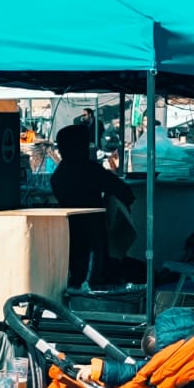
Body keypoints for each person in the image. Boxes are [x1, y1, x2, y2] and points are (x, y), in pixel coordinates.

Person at [50, 123, 134, 291]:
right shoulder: (89, 169)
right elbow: (126, 193)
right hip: (93, 234)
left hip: (68, 233)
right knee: (91, 278)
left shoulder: (59, 174)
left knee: (76, 276)